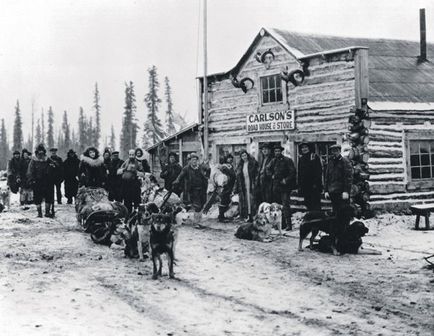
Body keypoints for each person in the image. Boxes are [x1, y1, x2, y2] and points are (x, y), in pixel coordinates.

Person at [172, 152, 208, 222]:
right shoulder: (186, 168)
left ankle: (199, 220)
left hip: (201, 190)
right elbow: (180, 176)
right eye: (193, 159)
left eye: (195, 159)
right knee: (197, 206)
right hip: (192, 190)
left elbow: (205, 176)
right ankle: (196, 222)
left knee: (202, 203)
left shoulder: (200, 168)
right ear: (190, 160)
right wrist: (177, 181)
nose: (194, 161)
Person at [268, 144, 296, 230]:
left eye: (278, 151)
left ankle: (288, 225)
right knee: (277, 206)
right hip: (276, 187)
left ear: (281, 151)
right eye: (276, 151)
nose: (277, 153)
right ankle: (280, 224)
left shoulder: (287, 160)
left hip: (285, 187)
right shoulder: (273, 161)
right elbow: (267, 169)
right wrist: (271, 175)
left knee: (285, 205)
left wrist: (286, 180)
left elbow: (293, 172)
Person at [27, 144, 56, 218]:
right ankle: (39, 213)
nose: (41, 154)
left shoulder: (47, 159)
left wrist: (53, 166)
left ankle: (47, 212)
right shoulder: (33, 160)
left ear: (44, 152)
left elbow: (56, 165)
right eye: (39, 152)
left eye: (42, 152)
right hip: (37, 181)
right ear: (37, 152)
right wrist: (31, 180)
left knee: (48, 197)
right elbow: (30, 171)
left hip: (47, 181)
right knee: (37, 198)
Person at [324, 144, 353, 215]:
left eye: (336, 151)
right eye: (333, 151)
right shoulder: (330, 162)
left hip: (341, 192)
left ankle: (344, 225)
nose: (334, 153)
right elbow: (327, 177)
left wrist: (346, 191)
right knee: (335, 210)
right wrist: (326, 190)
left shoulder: (345, 161)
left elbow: (348, 177)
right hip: (332, 191)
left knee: (343, 211)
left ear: (340, 151)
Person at [233, 150, 259, 223]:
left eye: (245, 155)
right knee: (245, 201)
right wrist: (236, 188)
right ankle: (247, 216)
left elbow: (257, 174)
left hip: (251, 184)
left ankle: (253, 216)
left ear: (247, 155)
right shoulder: (240, 165)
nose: (244, 157)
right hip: (243, 185)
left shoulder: (253, 163)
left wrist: (256, 183)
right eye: (242, 156)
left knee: (252, 201)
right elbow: (237, 178)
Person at [298, 142, 323, 211]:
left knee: (315, 204)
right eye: (302, 148)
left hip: (314, 186)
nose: (304, 149)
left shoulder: (314, 156)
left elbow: (318, 171)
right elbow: (300, 173)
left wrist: (316, 183)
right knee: (308, 204)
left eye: (306, 147)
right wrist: (300, 185)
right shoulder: (301, 158)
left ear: (309, 148)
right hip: (305, 186)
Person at [118, 149, 142, 214]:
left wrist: (136, 171)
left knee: (136, 201)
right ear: (128, 155)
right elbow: (118, 172)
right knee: (127, 201)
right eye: (130, 155)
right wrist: (124, 169)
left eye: (133, 155)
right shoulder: (126, 162)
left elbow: (143, 174)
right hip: (126, 185)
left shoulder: (138, 163)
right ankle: (127, 215)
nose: (131, 156)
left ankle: (136, 215)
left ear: (135, 155)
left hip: (134, 185)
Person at [218, 154, 236, 222]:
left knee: (227, 201)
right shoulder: (224, 167)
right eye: (228, 158)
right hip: (225, 186)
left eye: (231, 158)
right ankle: (221, 216)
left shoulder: (231, 166)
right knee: (223, 200)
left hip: (230, 186)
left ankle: (224, 215)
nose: (230, 159)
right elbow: (227, 175)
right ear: (226, 159)